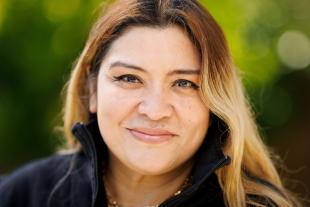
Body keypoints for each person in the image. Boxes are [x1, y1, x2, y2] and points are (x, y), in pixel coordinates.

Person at [0, 0, 302, 207]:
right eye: (130, 78)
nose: (155, 110)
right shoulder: (24, 194)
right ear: (91, 89)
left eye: (184, 83)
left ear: (215, 100)